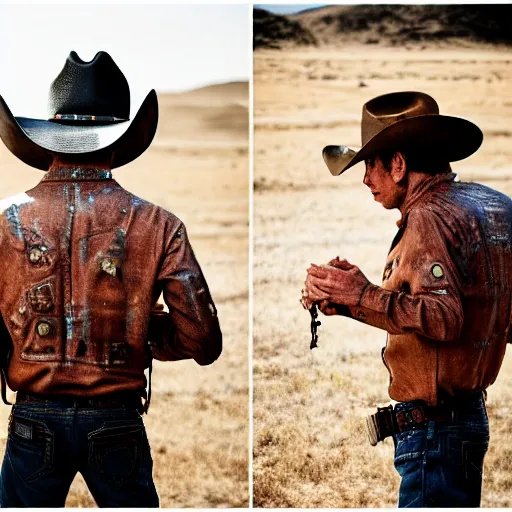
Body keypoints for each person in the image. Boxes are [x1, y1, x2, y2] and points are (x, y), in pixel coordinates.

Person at [0, 50, 222, 507]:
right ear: (119, 141)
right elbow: (203, 340)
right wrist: (132, 325)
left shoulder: (4, 221)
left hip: (32, 418)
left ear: (50, 137)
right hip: (116, 419)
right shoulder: (160, 224)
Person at [302, 91, 512, 507]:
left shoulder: (428, 217)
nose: (365, 179)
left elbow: (443, 317)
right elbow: (454, 312)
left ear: (397, 165)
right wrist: (349, 301)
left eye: (369, 166)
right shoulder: (492, 205)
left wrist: (361, 293)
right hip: (467, 421)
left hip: (436, 434)